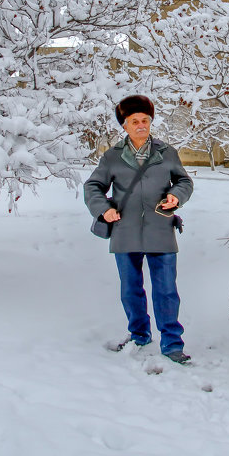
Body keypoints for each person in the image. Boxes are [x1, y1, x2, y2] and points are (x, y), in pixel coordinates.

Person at [84, 94, 194, 364]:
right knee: (131, 290)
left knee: (166, 290)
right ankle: (139, 335)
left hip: (161, 229)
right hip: (125, 230)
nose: (141, 125)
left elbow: (184, 181)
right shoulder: (112, 157)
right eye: (135, 121)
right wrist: (103, 208)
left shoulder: (167, 152)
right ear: (124, 125)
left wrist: (177, 196)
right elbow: (93, 187)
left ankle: (172, 344)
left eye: (145, 120)